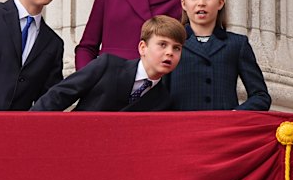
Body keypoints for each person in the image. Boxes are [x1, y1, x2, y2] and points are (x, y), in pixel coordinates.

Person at [165, 0, 271, 110]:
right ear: (183, 3)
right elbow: (158, 94)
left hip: (224, 128)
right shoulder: (171, 43)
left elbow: (261, 96)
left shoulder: (237, 44)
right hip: (182, 128)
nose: (201, 2)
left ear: (220, 2)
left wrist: (234, 115)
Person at [31, 15, 185, 111]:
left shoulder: (163, 100)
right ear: (143, 47)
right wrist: (28, 126)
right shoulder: (108, 65)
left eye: (176, 48)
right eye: (162, 45)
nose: (170, 52)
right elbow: (60, 94)